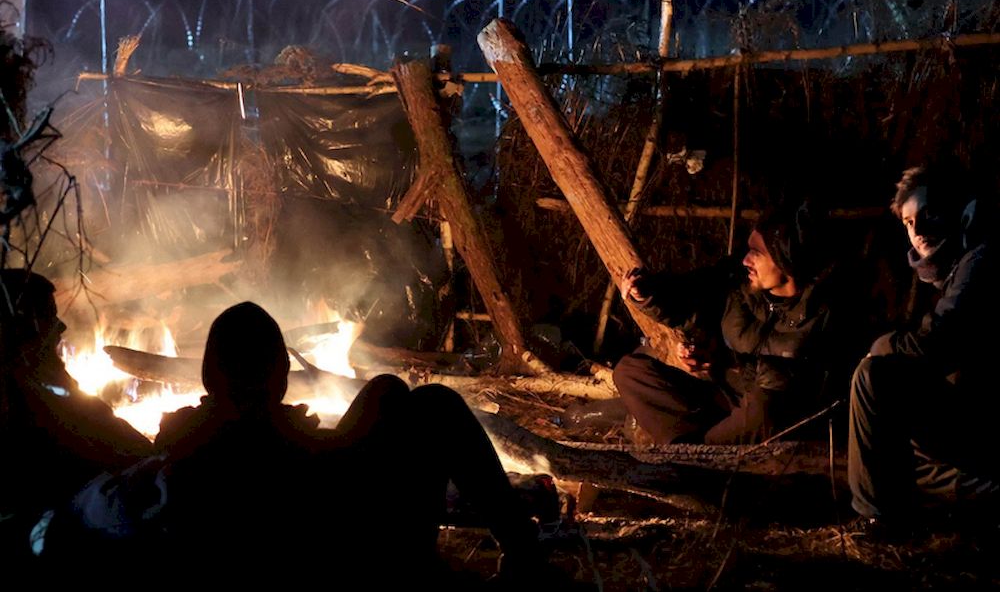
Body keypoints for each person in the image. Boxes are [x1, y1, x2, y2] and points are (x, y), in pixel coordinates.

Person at [47, 301, 564, 588]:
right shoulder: (301, 451)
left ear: (208, 379)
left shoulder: (182, 448)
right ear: (281, 379)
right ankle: (525, 557)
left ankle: (522, 558)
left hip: (309, 544)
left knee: (391, 392)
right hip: (348, 565)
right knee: (424, 402)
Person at [613, 203, 858, 445]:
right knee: (631, 372)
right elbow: (690, 300)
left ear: (786, 261)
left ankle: (696, 454)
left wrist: (730, 361)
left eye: (757, 253)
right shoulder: (739, 288)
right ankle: (695, 450)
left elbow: (805, 387)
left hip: (774, 416)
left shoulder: (827, 314)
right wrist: (647, 294)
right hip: (729, 397)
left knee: (765, 407)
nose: (746, 260)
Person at [848, 164, 999, 535]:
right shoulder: (957, 266)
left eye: (928, 214)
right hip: (978, 417)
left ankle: (880, 521)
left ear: (956, 211)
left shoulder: (980, 261)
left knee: (872, 378)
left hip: (989, 423)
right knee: (902, 457)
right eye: (909, 223)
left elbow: (938, 344)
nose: (918, 231)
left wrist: (882, 348)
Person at [0, 269, 152, 569]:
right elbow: (107, 435)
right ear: (23, 327)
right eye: (47, 316)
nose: (60, 327)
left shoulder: (43, 386)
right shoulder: (26, 400)